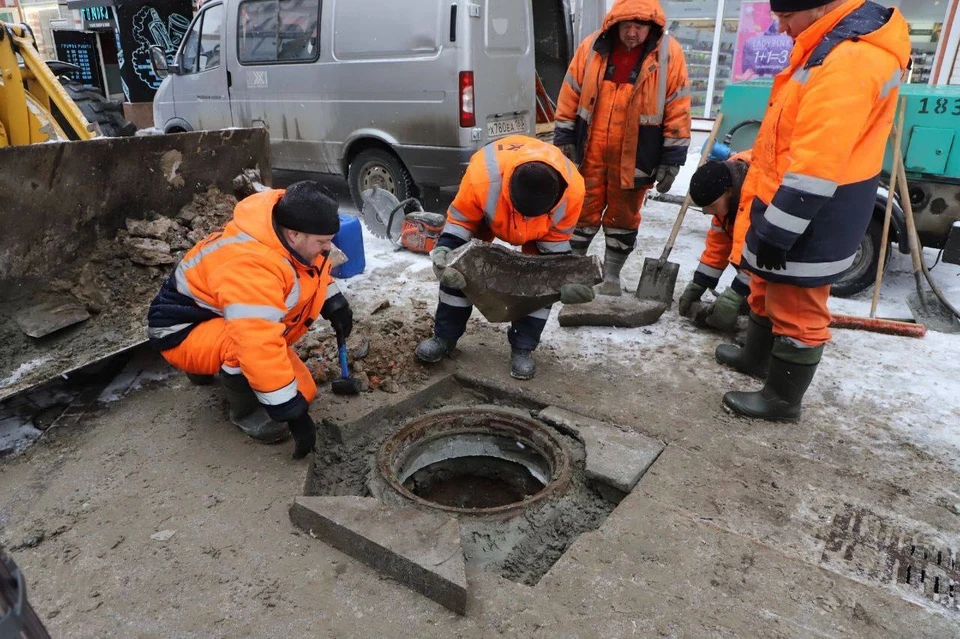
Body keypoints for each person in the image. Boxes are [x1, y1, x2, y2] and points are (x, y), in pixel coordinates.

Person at [717, 0, 909, 421]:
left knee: (799, 305)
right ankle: (757, 359)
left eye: (786, 17)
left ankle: (782, 400)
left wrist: (779, 230)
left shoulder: (849, 59)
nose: (782, 27)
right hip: (789, 194)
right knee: (766, 286)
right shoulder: (827, 46)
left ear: (819, 6)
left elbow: (818, 161)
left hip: (815, 205)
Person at [146, 181, 354, 458]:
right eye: (322, 242)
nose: (328, 248)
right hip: (178, 331)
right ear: (293, 235)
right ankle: (247, 413)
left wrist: (333, 301)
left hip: (208, 315)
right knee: (248, 354)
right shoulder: (252, 267)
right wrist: (290, 413)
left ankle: (205, 364)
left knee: (304, 390)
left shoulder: (285, 232)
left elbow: (311, 272)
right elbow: (256, 343)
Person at [415, 135, 593, 380]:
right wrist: (446, 250)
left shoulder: (573, 192)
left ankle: (523, 347)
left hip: (541, 235)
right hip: (489, 217)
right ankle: (444, 337)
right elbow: (461, 221)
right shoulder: (482, 177)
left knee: (540, 284)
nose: (525, 222)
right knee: (459, 270)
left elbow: (556, 249)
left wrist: (562, 280)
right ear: (509, 190)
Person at [554, 0, 691, 296]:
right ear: (614, 24)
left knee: (623, 214)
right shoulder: (592, 47)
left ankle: (612, 276)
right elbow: (570, 93)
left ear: (652, 27)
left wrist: (673, 157)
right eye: (627, 25)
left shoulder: (668, 54)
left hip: (637, 152)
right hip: (589, 149)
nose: (632, 33)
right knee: (581, 209)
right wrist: (564, 139)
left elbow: (677, 106)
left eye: (639, 26)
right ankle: (576, 269)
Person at [678, 155, 752, 331]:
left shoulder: (758, 196)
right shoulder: (728, 192)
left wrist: (737, 293)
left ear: (729, 191)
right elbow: (719, 246)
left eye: (711, 205)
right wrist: (700, 282)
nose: (707, 212)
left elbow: (760, 253)